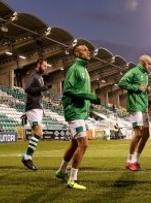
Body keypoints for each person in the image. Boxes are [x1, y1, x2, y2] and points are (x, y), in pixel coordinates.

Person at [55, 44, 101, 190]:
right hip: (74, 111)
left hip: (81, 111)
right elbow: (68, 90)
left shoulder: (84, 70)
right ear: (77, 53)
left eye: (88, 49)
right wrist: (89, 96)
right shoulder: (74, 69)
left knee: (75, 144)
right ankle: (73, 179)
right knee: (84, 144)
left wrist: (89, 101)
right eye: (85, 50)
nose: (88, 52)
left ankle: (62, 171)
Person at [118, 54, 151, 172]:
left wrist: (147, 90)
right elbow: (121, 83)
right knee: (138, 134)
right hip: (135, 106)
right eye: (149, 64)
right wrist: (137, 87)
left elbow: (143, 88)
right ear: (144, 63)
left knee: (146, 134)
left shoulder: (145, 75)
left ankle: (136, 161)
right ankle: (129, 161)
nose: (150, 66)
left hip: (144, 107)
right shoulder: (133, 71)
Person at [21, 58, 52, 171]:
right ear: (38, 64)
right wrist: (42, 88)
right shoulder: (33, 75)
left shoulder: (40, 77)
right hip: (32, 108)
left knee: (38, 133)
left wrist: (43, 89)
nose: (46, 68)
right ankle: (27, 158)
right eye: (44, 66)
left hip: (38, 108)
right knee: (38, 133)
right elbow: (27, 89)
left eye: (46, 66)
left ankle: (27, 157)